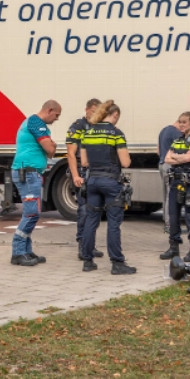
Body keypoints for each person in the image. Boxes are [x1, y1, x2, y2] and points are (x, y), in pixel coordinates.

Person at [77, 100, 136, 275]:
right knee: (113, 223)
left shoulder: (87, 134)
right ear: (115, 114)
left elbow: (85, 162)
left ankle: (87, 261)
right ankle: (117, 263)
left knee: (91, 220)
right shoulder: (116, 134)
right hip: (111, 182)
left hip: (93, 181)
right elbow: (125, 162)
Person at [10, 99, 61, 267]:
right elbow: (50, 150)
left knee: (32, 212)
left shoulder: (36, 124)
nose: (57, 119)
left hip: (31, 172)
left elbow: (51, 152)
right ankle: (18, 252)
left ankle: (25, 250)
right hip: (28, 172)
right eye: (56, 115)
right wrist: (52, 145)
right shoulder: (35, 122)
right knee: (32, 213)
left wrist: (51, 147)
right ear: (50, 110)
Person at [162, 111, 190, 263]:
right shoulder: (177, 140)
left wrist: (177, 157)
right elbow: (167, 158)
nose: (181, 125)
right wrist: (180, 158)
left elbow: (189, 157)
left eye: (184, 122)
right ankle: (173, 248)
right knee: (173, 215)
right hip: (176, 181)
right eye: (180, 122)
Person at [65, 98, 103, 261]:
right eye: (93, 111)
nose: (95, 114)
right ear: (86, 109)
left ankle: (90, 244)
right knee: (84, 210)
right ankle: (82, 245)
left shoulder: (100, 127)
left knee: (95, 210)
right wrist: (75, 175)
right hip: (82, 171)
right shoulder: (77, 127)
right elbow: (71, 153)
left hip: (97, 171)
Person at [157, 118, 183, 243]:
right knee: (170, 195)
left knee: (165, 194)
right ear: (179, 123)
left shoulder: (163, 130)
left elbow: (158, 150)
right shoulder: (176, 133)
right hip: (170, 166)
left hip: (161, 164)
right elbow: (180, 150)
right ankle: (170, 225)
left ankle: (166, 221)